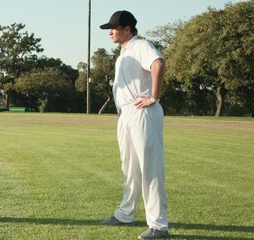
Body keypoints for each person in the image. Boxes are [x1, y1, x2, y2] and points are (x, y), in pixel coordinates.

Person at [99, 10, 169, 239]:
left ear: (128, 29)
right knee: (128, 167)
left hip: (143, 112)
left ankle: (159, 225)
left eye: (114, 27)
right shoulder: (123, 54)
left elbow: (158, 64)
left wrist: (154, 97)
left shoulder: (140, 45)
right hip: (127, 115)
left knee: (150, 168)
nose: (110, 31)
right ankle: (125, 214)